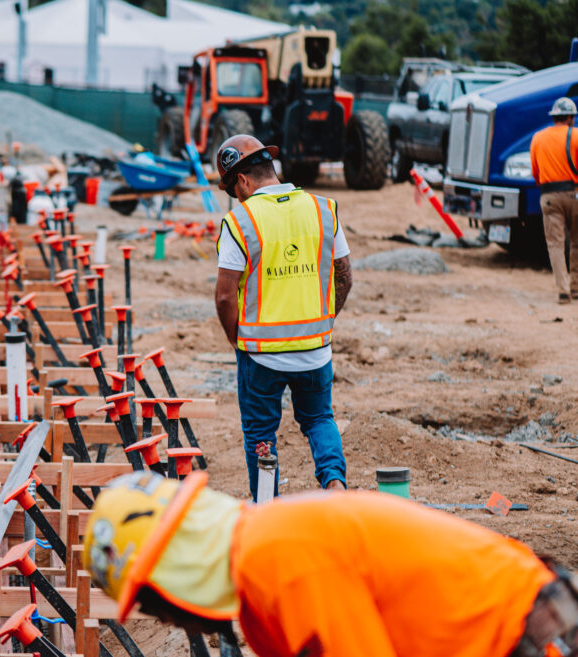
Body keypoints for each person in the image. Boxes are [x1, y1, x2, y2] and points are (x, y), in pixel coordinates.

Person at [83, 471, 578, 657]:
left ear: (174, 566)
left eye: (150, 602)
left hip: (530, 632)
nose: (165, 620)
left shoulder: (276, 558)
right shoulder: (258, 594)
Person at [213, 135, 352, 498]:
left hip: (261, 356)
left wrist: (235, 339)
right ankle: (335, 484)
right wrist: (324, 320)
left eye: (234, 191)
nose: (237, 198)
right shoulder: (323, 209)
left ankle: (267, 509)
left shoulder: (240, 221)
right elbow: (344, 276)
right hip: (315, 351)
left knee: (261, 434)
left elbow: (225, 295)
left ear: (243, 181)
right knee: (319, 419)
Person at [530, 97, 578, 304]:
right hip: (575, 194)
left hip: (549, 196)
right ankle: (576, 287)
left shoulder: (538, 138)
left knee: (556, 244)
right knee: (577, 242)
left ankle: (563, 290)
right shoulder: (576, 136)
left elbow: (535, 173)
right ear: (570, 117)